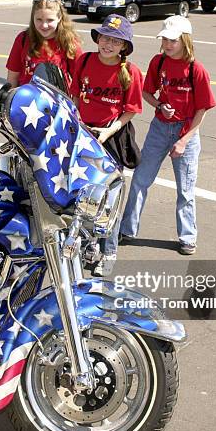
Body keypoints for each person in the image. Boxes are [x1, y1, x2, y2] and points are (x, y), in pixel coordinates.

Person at [119, 16, 216, 255]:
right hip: (160, 128)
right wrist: (160, 105)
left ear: (184, 40)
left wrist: (184, 140)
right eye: (164, 39)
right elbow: (147, 92)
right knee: (141, 179)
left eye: (172, 40)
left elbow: (201, 110)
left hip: (186, 131)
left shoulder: (196, 70)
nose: (167, 44)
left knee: (185, 189)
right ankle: (127, 229)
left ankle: (187, 237)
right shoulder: (158, 62)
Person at [70, 14, 143, 276]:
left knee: (108, 199)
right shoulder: (85, 60)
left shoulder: (131, 72)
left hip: (111, 137)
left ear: (124, 46)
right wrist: (77, 126)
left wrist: (106, 131)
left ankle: (108, 250)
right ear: (97, 38)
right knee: (83, 194)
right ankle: (90, 245)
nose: (108, 44)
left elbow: (130, 110)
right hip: (84, 134)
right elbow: (75, 96)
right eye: (105, 38)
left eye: (115, 41)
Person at [6, 0, 82, 90]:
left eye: (50, 20)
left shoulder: (69, 41)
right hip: (27, 101)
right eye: (39, 19)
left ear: (59, 18)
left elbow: (79, 80)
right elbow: (12, 78)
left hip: (58, 101)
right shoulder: (23, 39)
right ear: (33, 18)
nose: (44, 25)